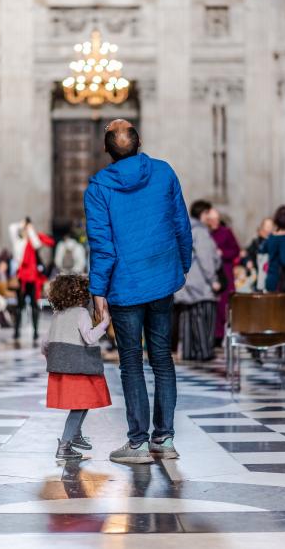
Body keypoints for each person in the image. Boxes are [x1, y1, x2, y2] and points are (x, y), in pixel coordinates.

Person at [84, 119, 192, 464]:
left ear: (106, 149)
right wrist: (182, 264)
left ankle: (138, 443)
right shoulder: (163, 173)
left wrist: (98, 290)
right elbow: (181, 224)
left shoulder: (98, 187)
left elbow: (103, 246)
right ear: (140, 141)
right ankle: (165, 438)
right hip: (162, 278)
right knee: (162, 358)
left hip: (125, 285)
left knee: (131, 363)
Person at [41, 275, 111, 459]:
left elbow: (45, 344)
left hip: (62, 368)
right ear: (81, 294)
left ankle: (76, 435)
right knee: (80, 405)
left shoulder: (57, 315)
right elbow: (89, 337)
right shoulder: (81, 313)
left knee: (82, 403)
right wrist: (104, 324)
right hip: (79, 368)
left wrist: (55, 357)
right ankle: (65, 445)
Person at [175, 200, 221, 361]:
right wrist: (213, 279)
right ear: (204, 213)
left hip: (185, 283)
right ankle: (203, 352)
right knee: (204, 317)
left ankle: (188, 352)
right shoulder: (200, 231)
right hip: (200, 284)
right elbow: (206, 258)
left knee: (187, 318)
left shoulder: (184, 228)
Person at [9, 218, 54, 347]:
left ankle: (35, 331)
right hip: (21, 278)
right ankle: (16, 331)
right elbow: (12, 228)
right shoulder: (18, 242)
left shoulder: (32, 241)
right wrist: (22, 223)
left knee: (34, 305)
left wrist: (30, 229)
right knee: (20, 306)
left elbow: (38, 244)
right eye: (24, 229)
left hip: (33, 278)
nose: (25, 231)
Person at [207, 208, 240, 345]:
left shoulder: (226, 232)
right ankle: (213, 336)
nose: (214, 222)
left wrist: (223, 253)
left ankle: (223, 335)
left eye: (216, 219)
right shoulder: (205, 233)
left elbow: (235, 250)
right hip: (210, 274)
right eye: (211, 219)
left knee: (224, 305)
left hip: (225, 273)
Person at [262, 205, 285, 292]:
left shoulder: (271, 236)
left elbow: (262, 249)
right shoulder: (284, 238)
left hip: (270, 278)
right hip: (281, 282)